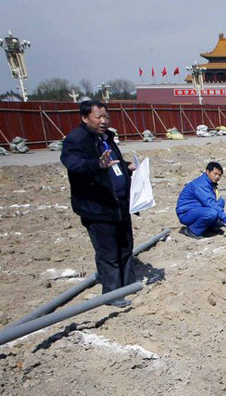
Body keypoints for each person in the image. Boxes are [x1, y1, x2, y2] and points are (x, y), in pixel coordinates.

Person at [61, 100, 136, 308]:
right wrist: (97, 164)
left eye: (106, 117)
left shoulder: (106, 138)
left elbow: (114, 166)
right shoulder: (76, 140)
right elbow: (75, 165)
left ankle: (129, 284)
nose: (104, 121)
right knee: (108, 253)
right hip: (98, 207)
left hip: (119, 205)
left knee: (125, 246)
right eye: (99, 117)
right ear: (85, 118)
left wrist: (127, 167)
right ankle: (111, 295)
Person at [176, 162, 226, 238]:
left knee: (220, 201)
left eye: (219, 175)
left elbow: (215, 201)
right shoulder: (201, 184)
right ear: (208, 172)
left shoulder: (210, 183)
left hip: (197, 209)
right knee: (212, 213)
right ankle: (193, 230)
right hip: (186, 213)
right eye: (215, 174)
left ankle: (209, 226)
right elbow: (210, 203)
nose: (217, 177)